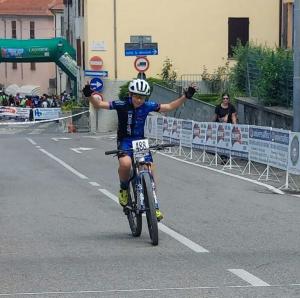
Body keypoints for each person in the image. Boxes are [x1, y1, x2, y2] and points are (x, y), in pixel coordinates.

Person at [83, 79, 196, 220]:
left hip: (140, 142)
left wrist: (185, 96)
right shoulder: (121, 104)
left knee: (149, 170)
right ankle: (124, 189)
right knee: (125, 164)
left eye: (142, 97)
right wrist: (89, 94)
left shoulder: (147, 106)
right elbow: (98, 104)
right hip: (125, 141)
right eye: (136, 96)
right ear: (130, 94)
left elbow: (168, 107)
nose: (139, 100)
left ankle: (155, 207)